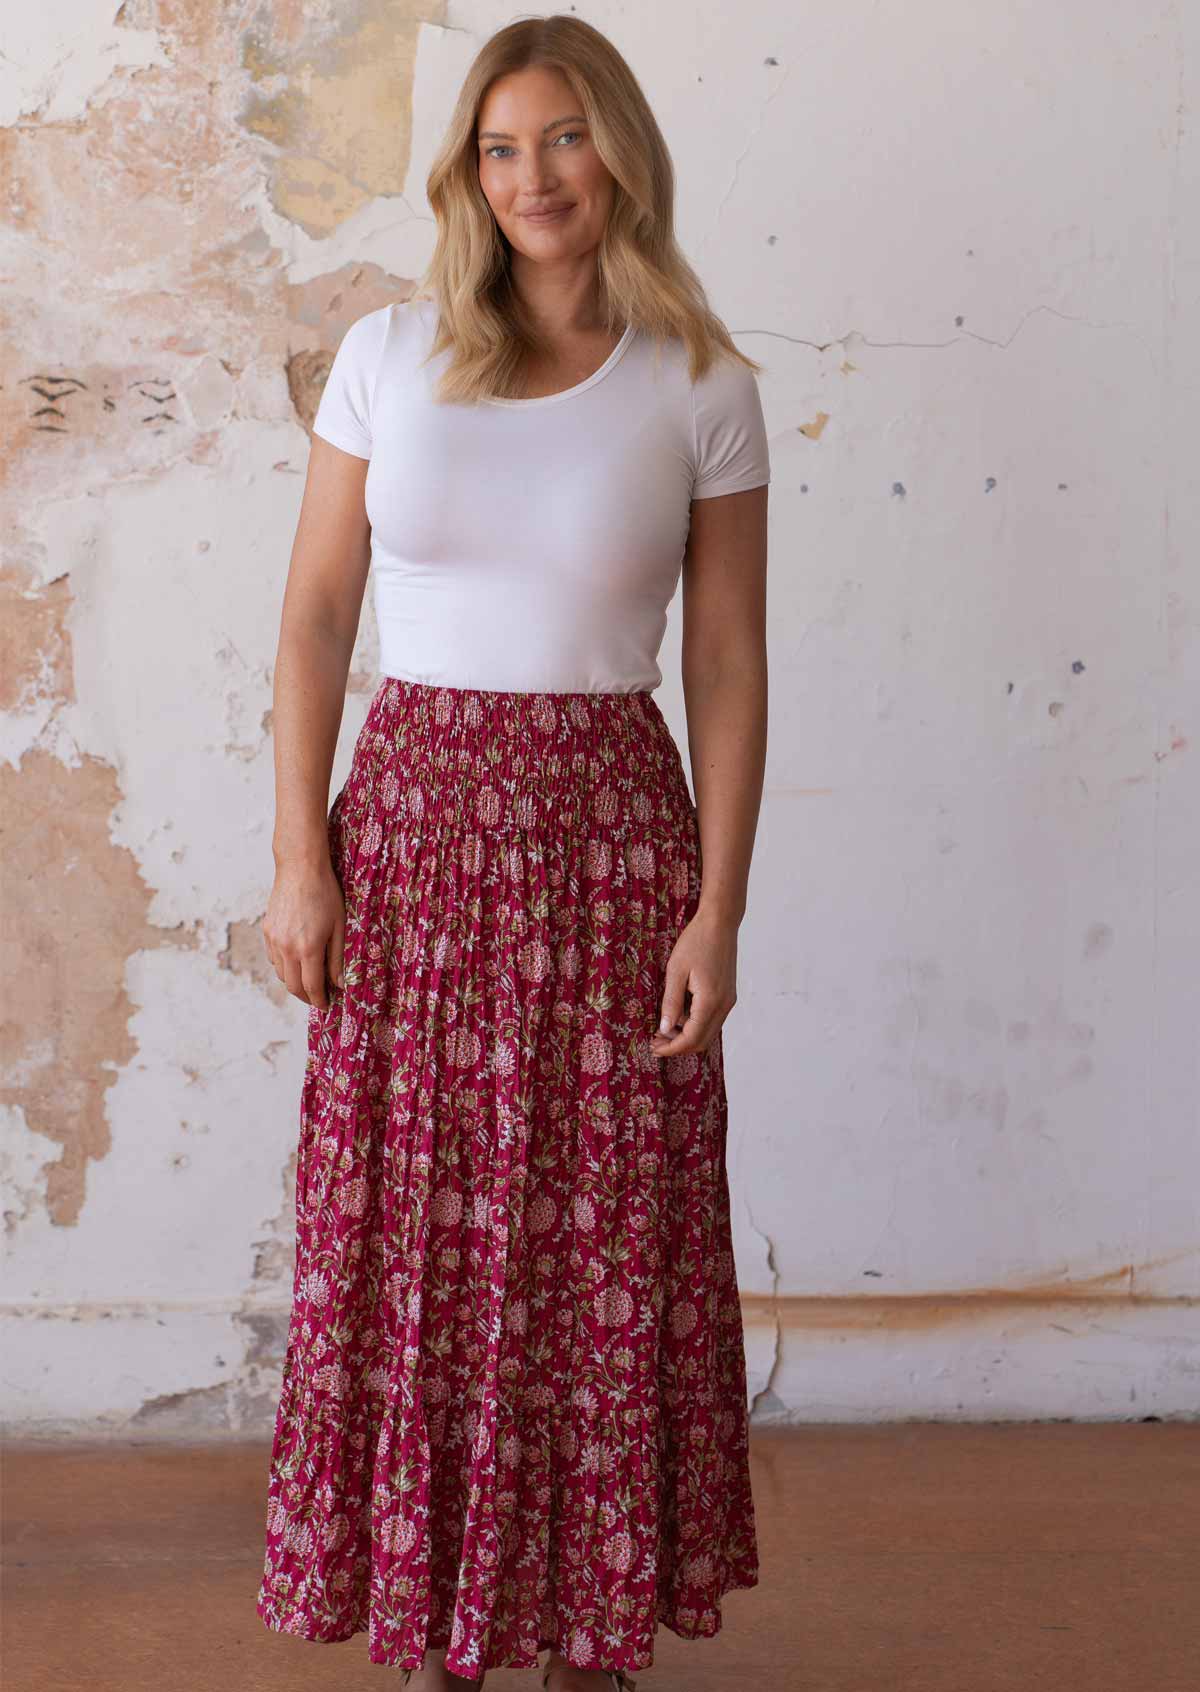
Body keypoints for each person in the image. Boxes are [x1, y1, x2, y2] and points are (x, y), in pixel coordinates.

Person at [255, 15, 769, 1692]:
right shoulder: (390, 354)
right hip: (406, 836)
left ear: (617, 148)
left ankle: (587, 1639)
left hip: (612, 849)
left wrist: (719, 909)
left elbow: (728, 664)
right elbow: (320, 616)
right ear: (467, 173)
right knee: (417, 1237)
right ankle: (443, 1618)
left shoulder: (704, 383)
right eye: (498, 146)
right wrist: (299, 858)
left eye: (560, 137)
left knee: (598, 1243)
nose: (532, 175)